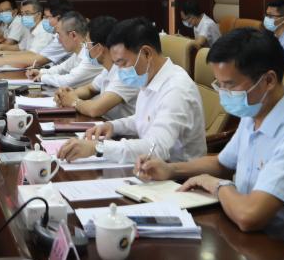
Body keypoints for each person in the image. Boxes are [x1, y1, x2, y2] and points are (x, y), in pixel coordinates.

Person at [134, 27, 284, 260]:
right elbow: (222, 163)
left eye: (230, 85)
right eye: (219, 84)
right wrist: (170, 169)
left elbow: (250, 216)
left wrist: (218, 186)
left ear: (268, 80)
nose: (224, 94)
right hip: (249, 242)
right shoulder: (255, 109)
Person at [58, 17, 206, 164]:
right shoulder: (150, 76)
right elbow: (143, 119)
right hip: (151, 166)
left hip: (177, 172)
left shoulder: (176, 89)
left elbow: (156, 148)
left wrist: (98, 148)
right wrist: (113, 126)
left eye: (123, 63)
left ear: (146, 53)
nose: (120, 71)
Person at [52, 16, 138, 121]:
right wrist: (67, 95)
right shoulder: (109, 68)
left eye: (87, 43)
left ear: (99, 48)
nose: (85, 48)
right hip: (105, 124)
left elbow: (95, 109)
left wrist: (74, 101)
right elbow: (90, 89)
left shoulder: (127, 74)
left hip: (120, 130)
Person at [28, 12, 105, 89]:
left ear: (73, 35)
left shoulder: (91, 54)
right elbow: (62, 68)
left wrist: (43, 77)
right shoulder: (79, 52)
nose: (59, 40)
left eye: (59, 35)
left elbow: (69, 81)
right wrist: (40, 72)